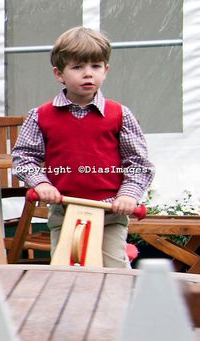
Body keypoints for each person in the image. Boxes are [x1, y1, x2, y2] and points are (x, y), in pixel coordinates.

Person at [12, 26, 155, 268]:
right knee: (66, 270)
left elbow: (138, 164)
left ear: (106, 70)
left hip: (110, 210)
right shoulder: (40, 115)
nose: (88, 74)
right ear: (59, 74)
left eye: (95, 66)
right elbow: (24, 158)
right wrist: (42, 183)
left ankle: (118, 304)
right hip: (65, 210)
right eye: (78, 67)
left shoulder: (120, 114)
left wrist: (128, 195)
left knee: (114, 270)